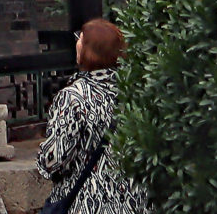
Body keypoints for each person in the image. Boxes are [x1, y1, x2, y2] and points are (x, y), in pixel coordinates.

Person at [35, 19, 147, 214]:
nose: (77, 43)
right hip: (135, 203)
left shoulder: (73, 97)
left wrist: (42, 158)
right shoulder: (136, 93)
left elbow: (54, 160)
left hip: (88, 203)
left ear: (90, 51)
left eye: (81, 39)